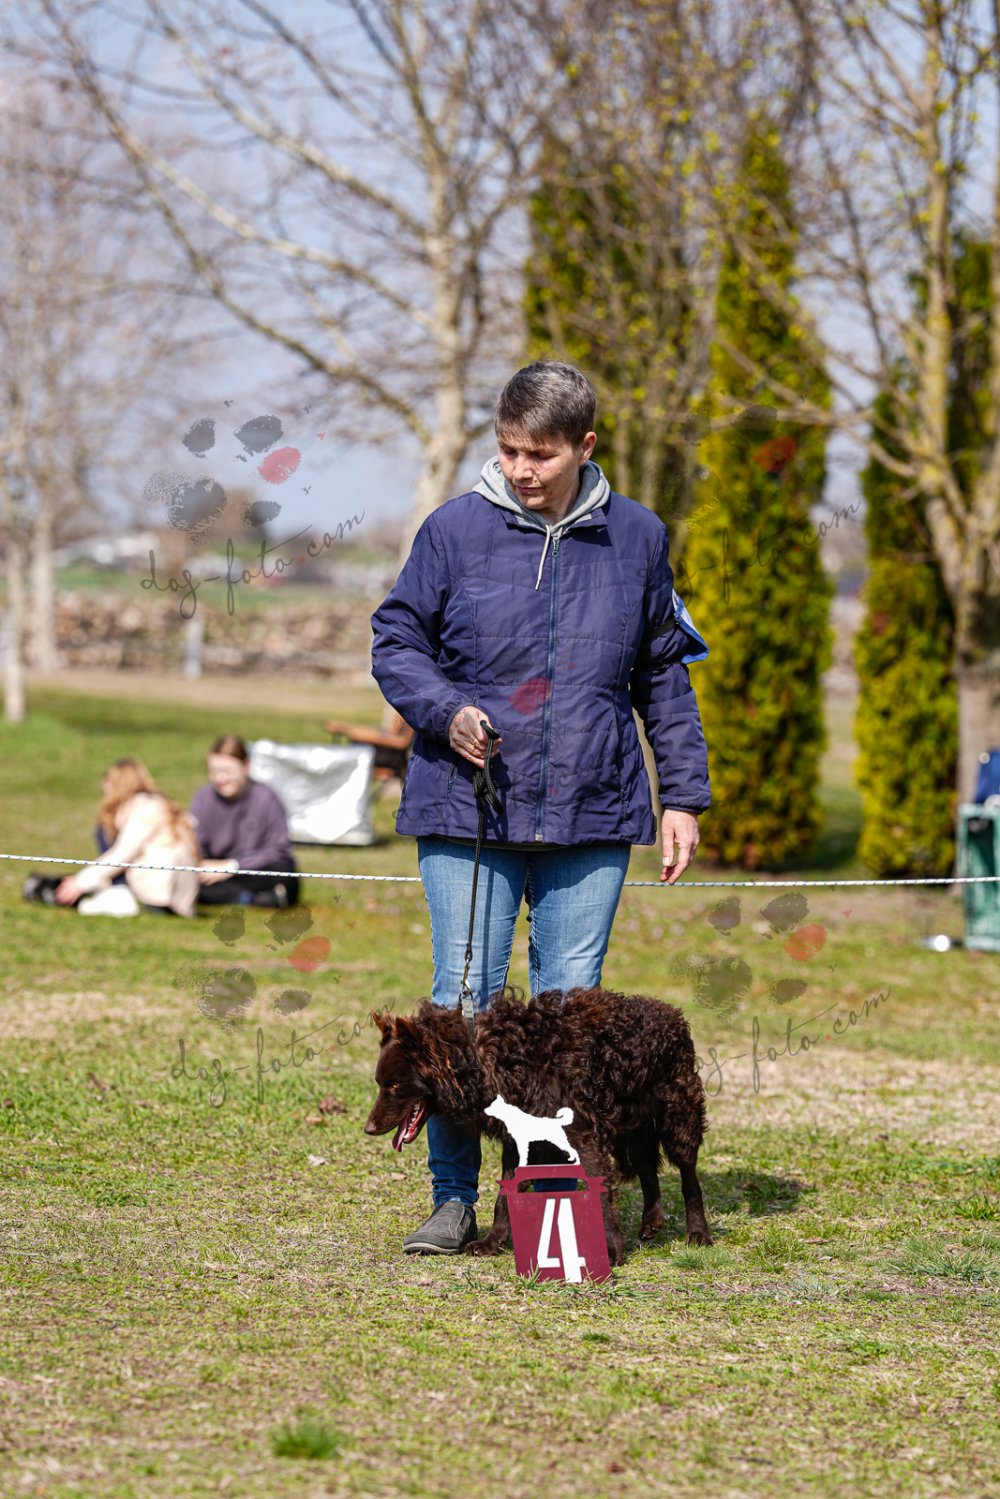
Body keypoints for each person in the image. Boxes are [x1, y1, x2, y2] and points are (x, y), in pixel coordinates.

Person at [370, 359, 711, 1255]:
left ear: (585, 445)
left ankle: (550, 1202)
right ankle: (453, 1199)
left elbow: (663, 675)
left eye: (541, 453)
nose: (521, 468)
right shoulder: (452, 530)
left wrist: (683, 795)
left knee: (569, 1027)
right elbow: (396, 639)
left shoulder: (638, 536)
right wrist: (446, 710)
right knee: (458, 1007)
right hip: (466, 810)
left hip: (593, 811)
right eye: (509, 449)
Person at [51, 758, 199, 917]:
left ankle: (116, 895)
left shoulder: (143, 808)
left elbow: (125, 852)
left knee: (103, 829)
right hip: (181, 895)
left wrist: (81, 882)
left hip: (158, 892)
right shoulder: (163, 804)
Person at [190, 735, 299, 908]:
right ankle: (251, 898)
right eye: (214, 771)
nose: (221, 778)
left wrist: (232, 866)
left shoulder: (266, 798)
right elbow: (196, 843)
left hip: (254, 869)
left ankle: (241, 896)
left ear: (246, 766)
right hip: (216, 871)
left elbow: (278, 849)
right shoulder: (203, 798)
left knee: (285, 871)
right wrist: (202, 864)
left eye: (227, 771)